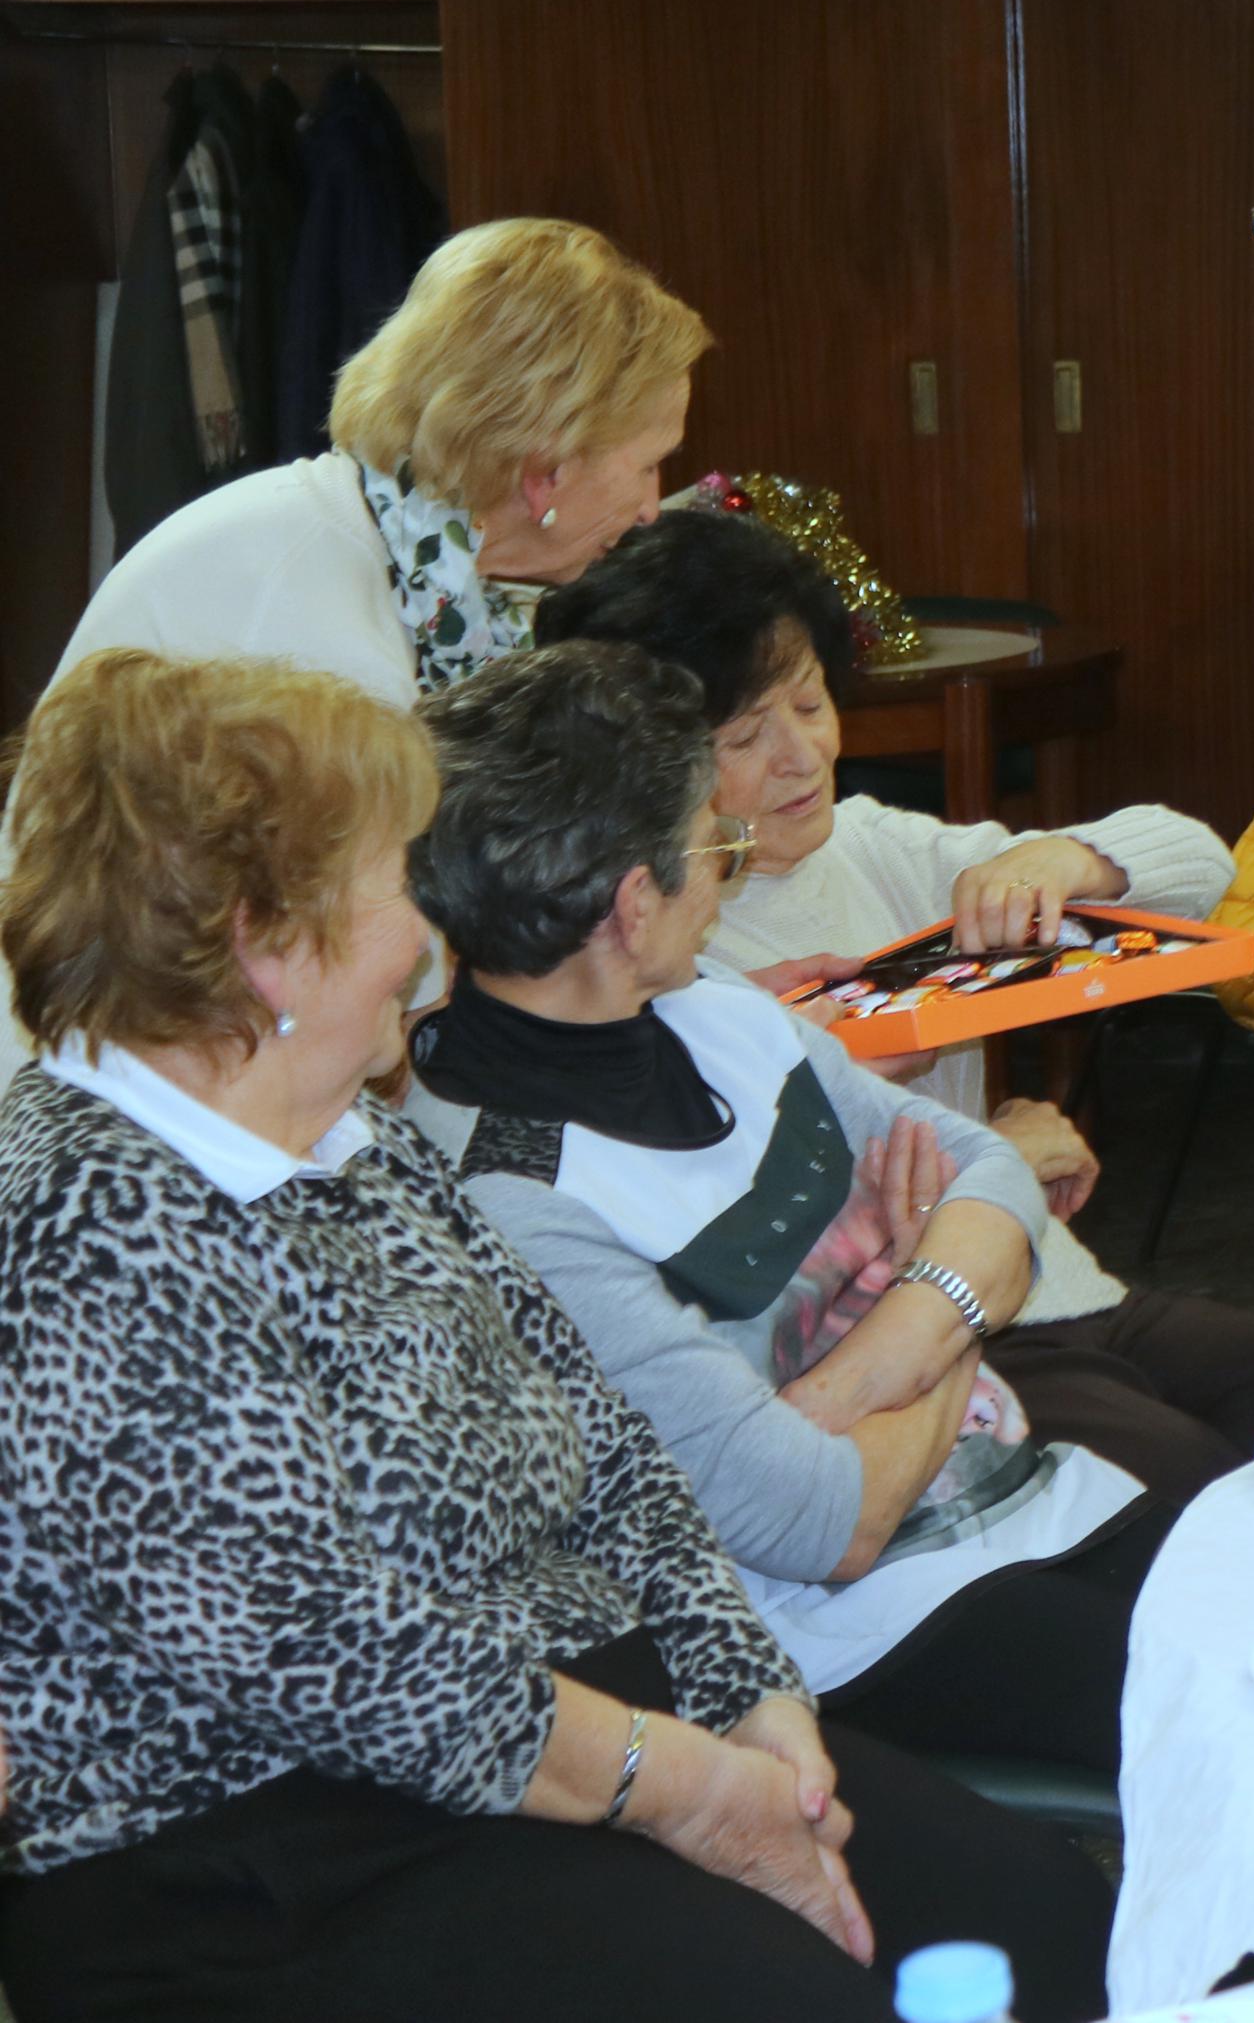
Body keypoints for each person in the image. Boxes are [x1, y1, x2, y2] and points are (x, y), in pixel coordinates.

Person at [0, 649, 1107, 2022]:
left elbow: (617, 1451)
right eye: (392, 880)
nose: (426, 931)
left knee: (1045, 1919)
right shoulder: (87, 1213)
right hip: (281, 1854)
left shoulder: (349, 1139)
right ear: (263, 938)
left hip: (573, 1714)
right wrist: (687, 1784)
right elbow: (327, 1648)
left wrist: (754, 1696)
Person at [401, 645, 1193, 1781]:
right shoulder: (515, 1198)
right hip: (839, 1633)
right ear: (632, 905)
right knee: (1231, 1704)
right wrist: (950, 1306)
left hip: (1003, 1491)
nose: (723, 878)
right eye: (710, 848)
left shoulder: (705, 1004)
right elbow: (822, 1523)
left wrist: (854, 1370)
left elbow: (992, 1174)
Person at [537, 511, 1254, 1486]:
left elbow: (1197, 861)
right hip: (938, 1343)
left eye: (809, 705)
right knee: (1216, 1496)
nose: (801, 757)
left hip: (1069, 1289)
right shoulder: (649, 948)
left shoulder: (868, 843)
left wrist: (1065, 860)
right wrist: (996, 1158)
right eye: (745, 736)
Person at [49, 213, 705, 711]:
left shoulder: (417, 571)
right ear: (545, 469)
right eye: (650, 463)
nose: (652, 509)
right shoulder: (309, 592)